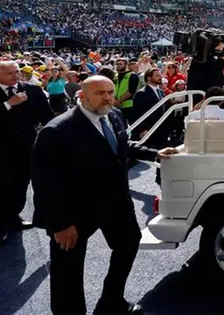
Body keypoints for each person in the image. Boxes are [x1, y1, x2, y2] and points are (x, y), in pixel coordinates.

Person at [30, 76, 179, 314]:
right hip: (75, 213)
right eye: (100, 93)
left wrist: (154, 153)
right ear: (81, 96)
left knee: (128, 244)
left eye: (110, 92)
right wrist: (60, 224)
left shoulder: (114, 116)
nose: (108, 97)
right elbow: (45, 183)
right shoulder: (56, 131)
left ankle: (112, 300)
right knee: (67, 270)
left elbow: (121, 145)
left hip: (115, 204)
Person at [0, 60, 54, 244]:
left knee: (21, 183)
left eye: (17, 72)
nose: (16, 76)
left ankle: (14, 216)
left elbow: (47, 117)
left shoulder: (32, 90)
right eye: (10, 73)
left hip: (25, 148)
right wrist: (8, 104)